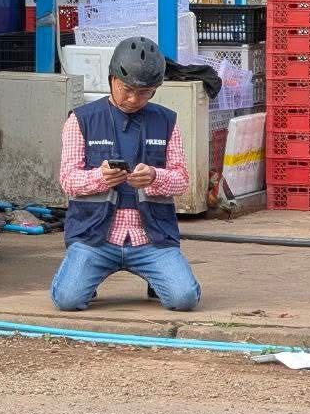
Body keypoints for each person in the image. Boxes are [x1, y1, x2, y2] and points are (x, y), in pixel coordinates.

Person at [50, 36, 201, 312]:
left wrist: (155, 176)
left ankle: (158, 279)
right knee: (67, 300)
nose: (133, 99)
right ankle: (85, 275)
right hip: (95, 238)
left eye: (145, 92)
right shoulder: (81, 120)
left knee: (184, 299)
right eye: (127, 89)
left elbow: (181, 180)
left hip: (151, 239)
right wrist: (100, 178)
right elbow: (68, 180)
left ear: (155, 90)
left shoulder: (167, 121)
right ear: (112, 79)